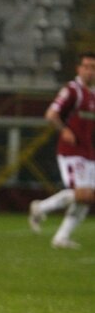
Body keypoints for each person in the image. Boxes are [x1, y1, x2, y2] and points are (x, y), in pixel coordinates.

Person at [29, 51, 95, 249]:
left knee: (87, 198)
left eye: (93, 67)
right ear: (78, 69)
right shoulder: (73, 90)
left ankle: (61, 238)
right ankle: (40, 207)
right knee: (82, 195)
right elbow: (51, 114)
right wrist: (64, 130)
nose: (90, 71)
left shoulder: (93, 93)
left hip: (89, 152)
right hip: (71, 151)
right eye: (86, 67)